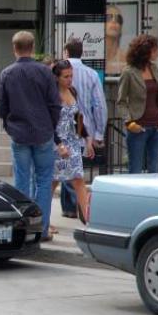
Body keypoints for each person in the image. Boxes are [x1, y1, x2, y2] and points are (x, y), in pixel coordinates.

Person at [0, 31, 61, 241]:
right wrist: (50, 126)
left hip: (19, 134)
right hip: (43, 133)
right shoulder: (45, 72)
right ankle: (40, 229)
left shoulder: (7, 73)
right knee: (44, 181)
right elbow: (54, 104)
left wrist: (9, 125)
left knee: (21, 181)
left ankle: (22, 228)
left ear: (14, 49)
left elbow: (1, 108)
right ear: (32, 48)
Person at [60, 38, 107, 218]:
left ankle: (73, 208)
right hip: (76, 131)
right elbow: (99, 105)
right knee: (72, 171)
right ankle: (75, 209)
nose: (70, 79)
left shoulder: (58, 73)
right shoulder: (91, 74)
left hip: (65, 132)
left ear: (66, 52)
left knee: (70, 172)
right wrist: (98, 134)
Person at [50, 60, 91, 226]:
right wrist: (59, 145)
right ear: (57, 77)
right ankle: (43, 221)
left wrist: (87, 139)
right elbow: (49, 123)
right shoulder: (52, 95)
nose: (70, 79)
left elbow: (77, 118)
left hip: (73, 141)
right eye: (66, 76)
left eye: (71, 76)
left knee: (78, 180)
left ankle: (89, 220)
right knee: (52, 182)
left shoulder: (73, 91)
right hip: (57, 143)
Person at [117, 34, 158, 173]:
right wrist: (129, 123)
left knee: (155, 169)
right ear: (145, 51)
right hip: (138, 127)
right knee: (135, 170)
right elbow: (121, 102)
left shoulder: (154, 69)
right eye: (155, 49)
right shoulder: (128, 72)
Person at [106, 5, 127, 76]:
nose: (113, 21)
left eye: (118, 19)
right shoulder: (94, 55)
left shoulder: (126, 58)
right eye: (109, 17)